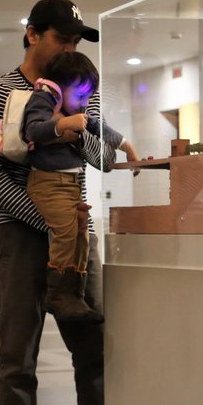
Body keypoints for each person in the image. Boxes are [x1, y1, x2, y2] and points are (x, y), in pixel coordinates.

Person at [0, 0, 136, 405]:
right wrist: (44, 222)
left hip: (75, 230)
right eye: (61, 38)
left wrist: (82, 121)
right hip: (20, 232)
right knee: (18, 351)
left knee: (93, 344)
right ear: (32, 34)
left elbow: (99, 159)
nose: (67, 47)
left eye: (73, 41)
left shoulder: (78, 90)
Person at [22, 51, 137, 323]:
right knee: (64, 234)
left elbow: (98, 132)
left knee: (80, 236)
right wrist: (62, 124)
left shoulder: (78, 110)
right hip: (49, 182)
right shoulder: (44, 97)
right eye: (81, 95)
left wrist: (127, 146)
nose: (85, 103)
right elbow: (33, 130)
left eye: (89, 97)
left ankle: (76, 293)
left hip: (71, 185)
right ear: (59, 87)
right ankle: (59, 295)